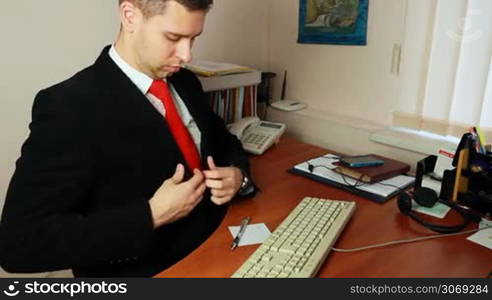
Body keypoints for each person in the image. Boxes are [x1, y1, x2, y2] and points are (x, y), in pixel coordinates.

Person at [0, 0, 254, 277]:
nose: (186, 55)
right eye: (173, 37)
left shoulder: (186, 82)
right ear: (129, 15)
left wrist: (237, 176)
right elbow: (18, 245)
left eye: (193, 38)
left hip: (221, 249)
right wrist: (151, 215)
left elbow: (225, 143)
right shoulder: (68, 107)